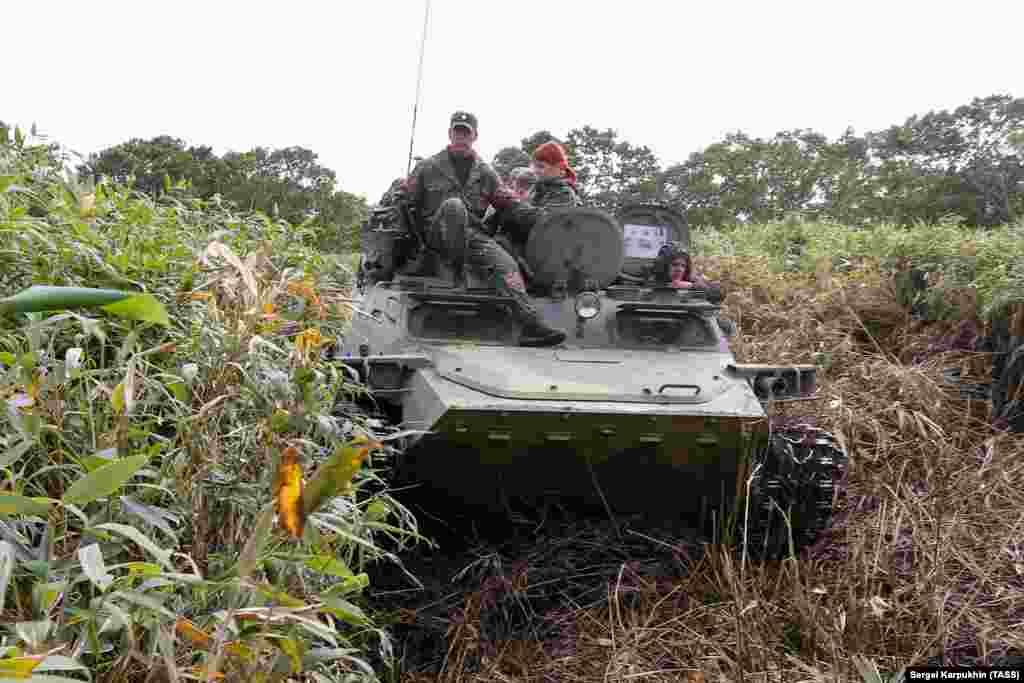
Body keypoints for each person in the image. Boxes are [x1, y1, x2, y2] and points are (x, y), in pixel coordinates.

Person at [391, 111, 567, 347]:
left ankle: (529, 325)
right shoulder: (428, 167)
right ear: (450, 133)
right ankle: (454, 272)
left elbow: (509, 203)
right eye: (457, 131)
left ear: (475, 136)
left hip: (472, 236)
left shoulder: (485, 172)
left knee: (507, 265)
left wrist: (544, 219)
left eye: (466, 132)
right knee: (453, 207)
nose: (461, 136)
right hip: (434, 234)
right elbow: (404, 201)